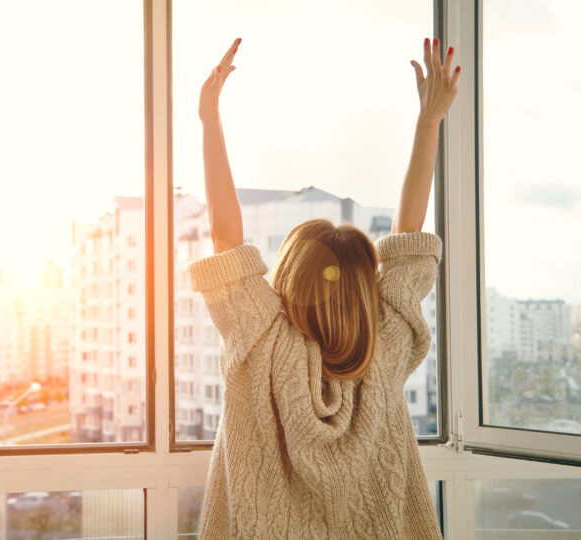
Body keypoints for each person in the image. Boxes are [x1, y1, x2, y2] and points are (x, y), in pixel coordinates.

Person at [187, 36, 459, 539]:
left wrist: (210, 120)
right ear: (365, 288)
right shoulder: (387, 346)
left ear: (287, 276)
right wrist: (429, 123)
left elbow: (225, 237)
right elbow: (409, 240)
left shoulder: (261, 341)